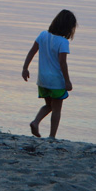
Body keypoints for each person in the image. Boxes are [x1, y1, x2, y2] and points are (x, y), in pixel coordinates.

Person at [21, 9, 77, 138]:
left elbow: (32, 51)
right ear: (69, 28)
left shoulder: (43, 35)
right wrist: (67, 81)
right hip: (56, 80)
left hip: (42, 79)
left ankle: (36, 122)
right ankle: (52, 136)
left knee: (49, 105)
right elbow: (62, 63)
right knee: (56, 109)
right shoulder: (63, 42)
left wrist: (25, 68)